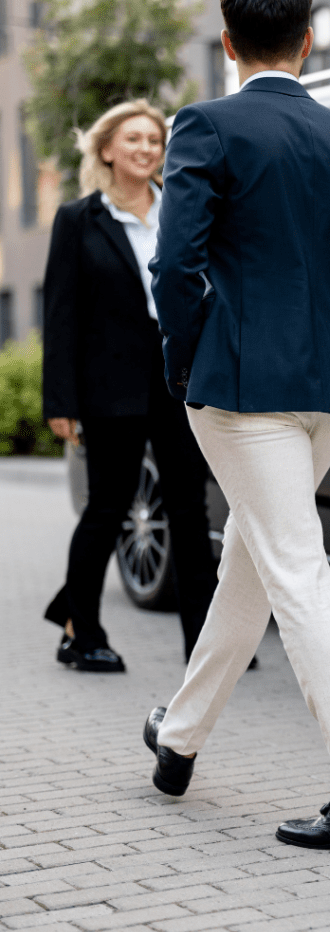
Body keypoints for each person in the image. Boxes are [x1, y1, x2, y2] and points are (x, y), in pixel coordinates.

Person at [144, 0, 330, 851]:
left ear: (227, 44)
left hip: (239, 389)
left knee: (292, 572)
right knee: (252, 568)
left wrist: (189, 367)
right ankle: (178, 740)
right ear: (309, 41)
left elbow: (173, 268)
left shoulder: (207, 127)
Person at [42, 100, 219, 672]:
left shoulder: (182, 212)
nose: (147, 148)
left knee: (190, 512)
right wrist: (61, 401)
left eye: (155, 140)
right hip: (109, 386)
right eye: (134, 139)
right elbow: (62, 314)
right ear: (107, 149)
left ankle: (205, 645)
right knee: (108, 508)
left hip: (177, 379)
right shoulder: (79, 219)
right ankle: (82, 633)